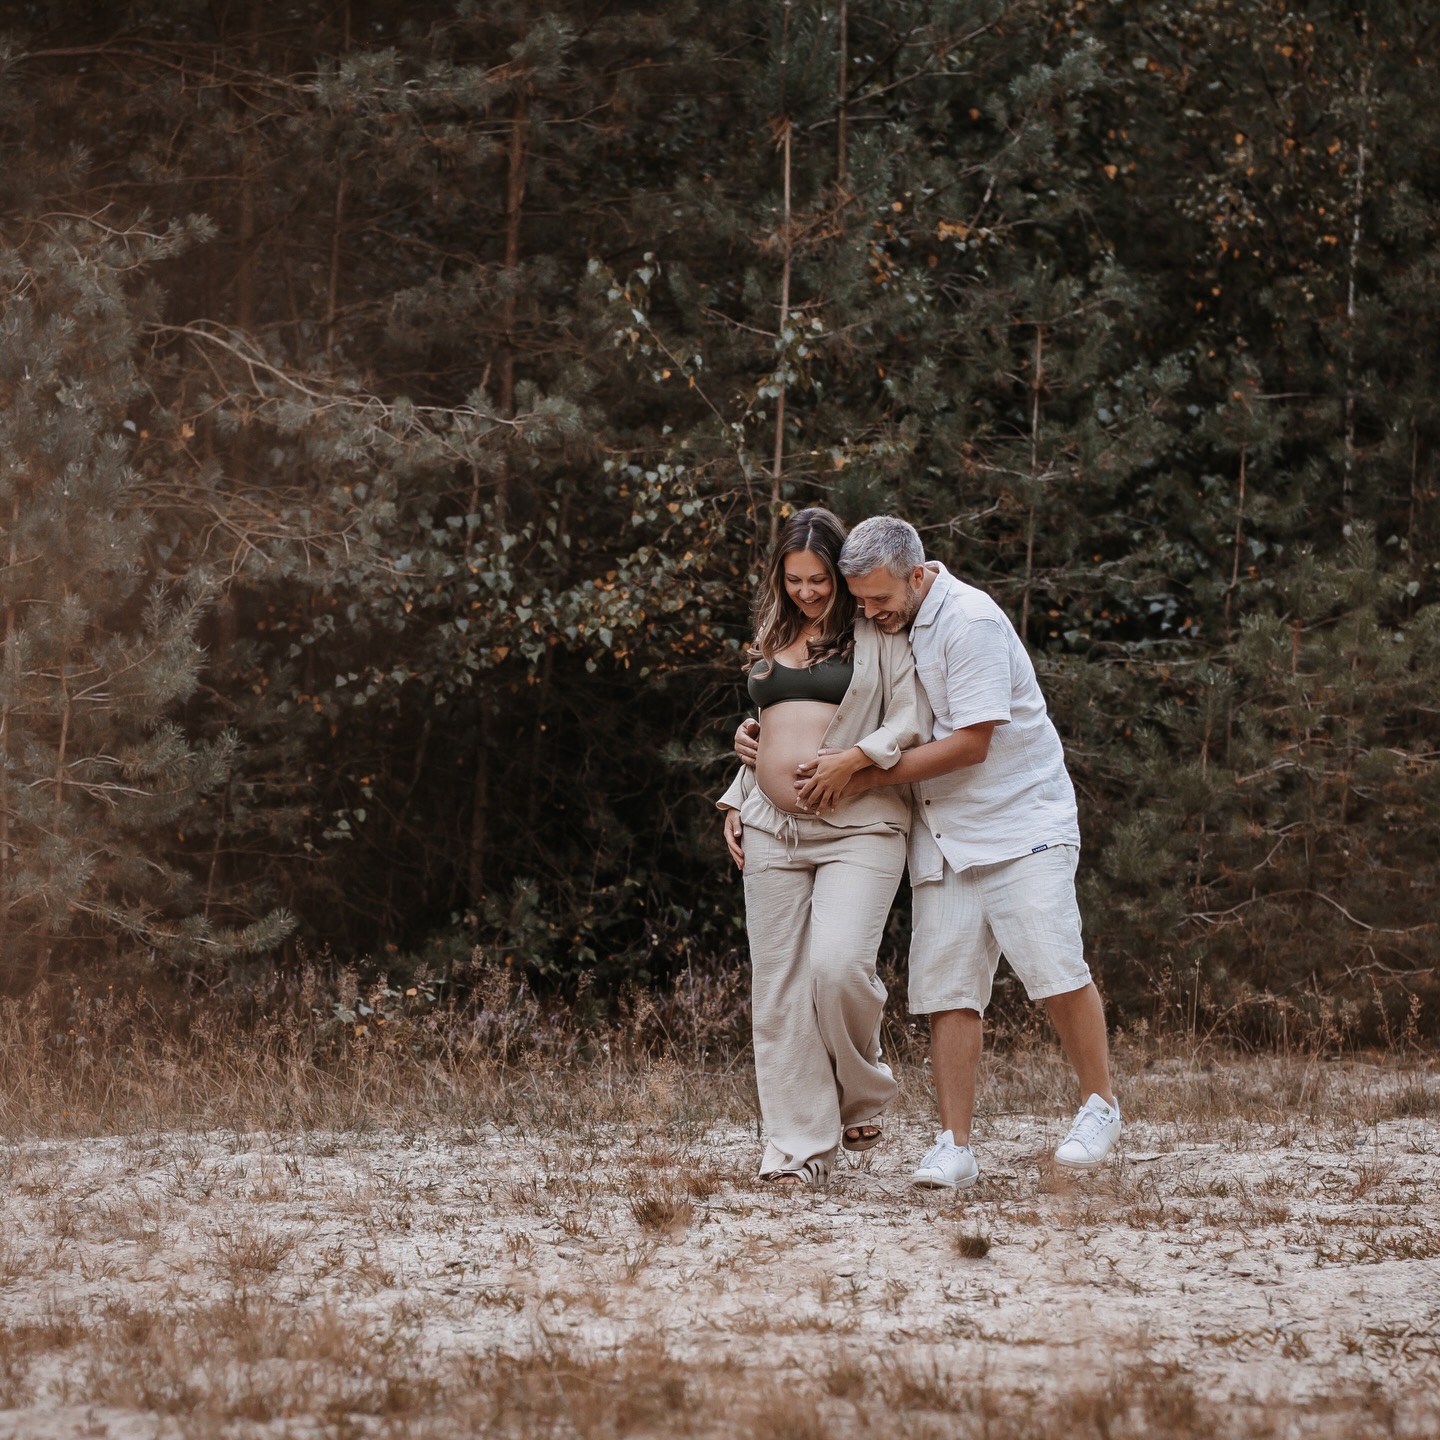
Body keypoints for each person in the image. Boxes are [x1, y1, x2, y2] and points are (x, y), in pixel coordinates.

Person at [738, 515, 1119, 1189]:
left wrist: (858, 771)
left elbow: (969, 742)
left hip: (1018, 820)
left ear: (916, 577)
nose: (865, 610)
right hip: (941, 829)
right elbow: (802, 712)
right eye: (859, 599)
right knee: (948, 988)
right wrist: (750, 772)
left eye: (876, 598)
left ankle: (1100, 1105)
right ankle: (950, 1144)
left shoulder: (966, 622)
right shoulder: (880, 619)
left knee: (1053, 967)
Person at [718, 508, 924, 1187]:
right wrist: (737, 791)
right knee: (779, 988)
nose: (806, 592)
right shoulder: (774, 632)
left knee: (837, 967)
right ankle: (798, 1151)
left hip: (860, 822)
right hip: (771, 826)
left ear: (841, 572)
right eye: (794, 579)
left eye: (818, 580)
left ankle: (862, 1086)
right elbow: (770, 727)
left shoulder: (877, 632)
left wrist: (855, 759)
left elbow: (911, 717)